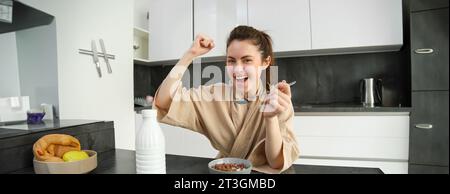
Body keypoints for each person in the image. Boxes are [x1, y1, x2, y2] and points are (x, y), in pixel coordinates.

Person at [153, 25, 299, 173]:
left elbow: (276, 162)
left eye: (247, 60)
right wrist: (190, 55)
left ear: (265, 62)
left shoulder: (278, 102)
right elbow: (163, 102)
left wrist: (270, 118)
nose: (237, 68)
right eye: (231, 61)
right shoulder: (212, 96)